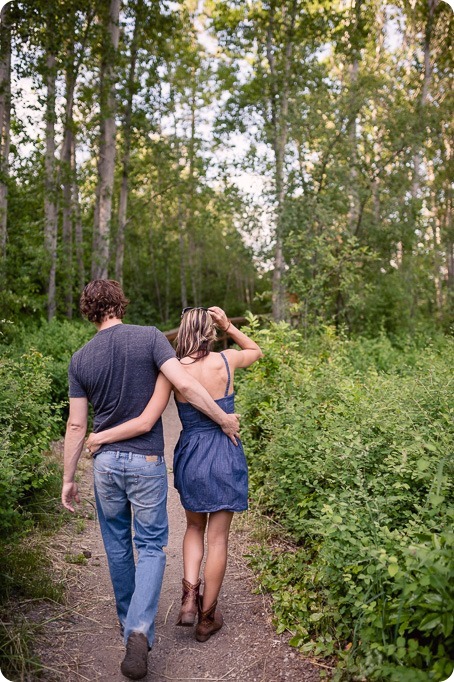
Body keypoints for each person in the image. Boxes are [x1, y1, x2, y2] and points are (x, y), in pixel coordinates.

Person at [61, 282, 240, 681]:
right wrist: (223, 417)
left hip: (104, 465)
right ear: (121, 304)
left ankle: (130, 625)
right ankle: (139, 630)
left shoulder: (80, 358)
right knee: (152, 545)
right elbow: (189, 386)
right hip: (145, 461)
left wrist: (68, 478)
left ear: (89, 313)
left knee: (118, 545)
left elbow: (76, 424)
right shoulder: (150, 338)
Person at [85, 306, 262, 644]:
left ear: (182, 333)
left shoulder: (171, 370)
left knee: (194, 526)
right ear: (210, 333)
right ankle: (207, 617)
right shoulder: (226, 361)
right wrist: (229, 325)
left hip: (191, 453)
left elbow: (149, 415)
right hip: (224, 450)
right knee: (219, 538)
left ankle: (187, 601)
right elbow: (255, 351)